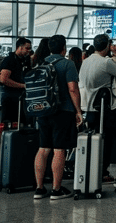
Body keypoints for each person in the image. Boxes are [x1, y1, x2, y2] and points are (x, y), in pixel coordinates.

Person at [78, 34, 116, 189]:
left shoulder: (86, 61)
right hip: (107, 108)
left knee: (104, 140)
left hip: (89, 107)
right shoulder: (106, 62)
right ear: (108, 45)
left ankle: (102, 173)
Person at [33, 35, 82, 200]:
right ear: (64, 48)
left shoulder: (40, 64)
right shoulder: (68, 64)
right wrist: (78, 111)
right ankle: (56, 189)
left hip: (43, 111)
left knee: (43, 149)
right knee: (59, 149)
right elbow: (73, 89)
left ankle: (39, 189)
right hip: (63, 111)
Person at [0, 37, 31, 124]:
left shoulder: (25, 61)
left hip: (21, 98)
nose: (28, 51)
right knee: (9, 124)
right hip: (9, 99)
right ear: (19, 47)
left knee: (22, 123)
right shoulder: (9, 60)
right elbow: (3, 79)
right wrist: (22, 86)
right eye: (27, 48)